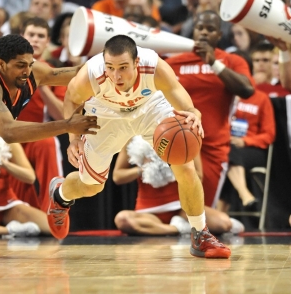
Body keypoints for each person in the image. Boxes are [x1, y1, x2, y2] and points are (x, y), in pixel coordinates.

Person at [47, 33, 231, 259]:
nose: (116, 75)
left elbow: (178, 94)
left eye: (123, 67)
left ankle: (201, 235)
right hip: (105, 115)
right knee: (91, 185)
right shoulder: (91, 74)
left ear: (136, 62)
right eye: (110, 68)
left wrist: (194, 113)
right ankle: (60, 194)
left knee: (185, 165)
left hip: (150, 108)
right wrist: (74, 138)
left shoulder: (154, 66)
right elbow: (72, 99)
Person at [165, 10, 255, 208]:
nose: (204, 33)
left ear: (219, 35)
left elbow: (247, 90)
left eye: (211, 29)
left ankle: (222, 228)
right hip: (180, 142)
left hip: (214, 147)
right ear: (193, 31)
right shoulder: (174, 63)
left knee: (203, 209)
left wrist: (213, 63)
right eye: (200, 28)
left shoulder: (232, 61)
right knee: (177, 207)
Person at [113, 136, 244, 235]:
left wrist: (174, 165)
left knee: (224, 224)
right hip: (149, 213)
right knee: (123, 219)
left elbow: (199, 175)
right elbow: (117, 176)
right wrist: (144, 168)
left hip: (182, 208)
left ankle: (171, 227)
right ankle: (177, 229)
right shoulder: (133, 136)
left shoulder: (184, 134)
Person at [0, 34, 99, 144]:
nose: (27, 72)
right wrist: (68, 125)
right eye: (20, 65)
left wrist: (105, 61)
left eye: (30, 64)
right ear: (1, 64)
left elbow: (76, 74)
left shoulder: (33, 73)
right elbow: (9, 132)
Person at [9, 17, 65, 212]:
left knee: (47, 142)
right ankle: (14, 210)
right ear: (22, 37)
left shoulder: (54, 72)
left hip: (35, 135)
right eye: (31, 35)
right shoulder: (4, 67)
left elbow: (61, 115)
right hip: (7, 134)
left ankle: (54, 209)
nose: (35, 39)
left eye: (41, 36)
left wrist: (40, 82)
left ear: (48, 41)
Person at [0, 138, 51, 237]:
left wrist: (3, 163)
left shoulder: (6, 140)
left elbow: (30, 177)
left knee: (50, 226)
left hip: (5, 205)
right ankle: (11, 230)